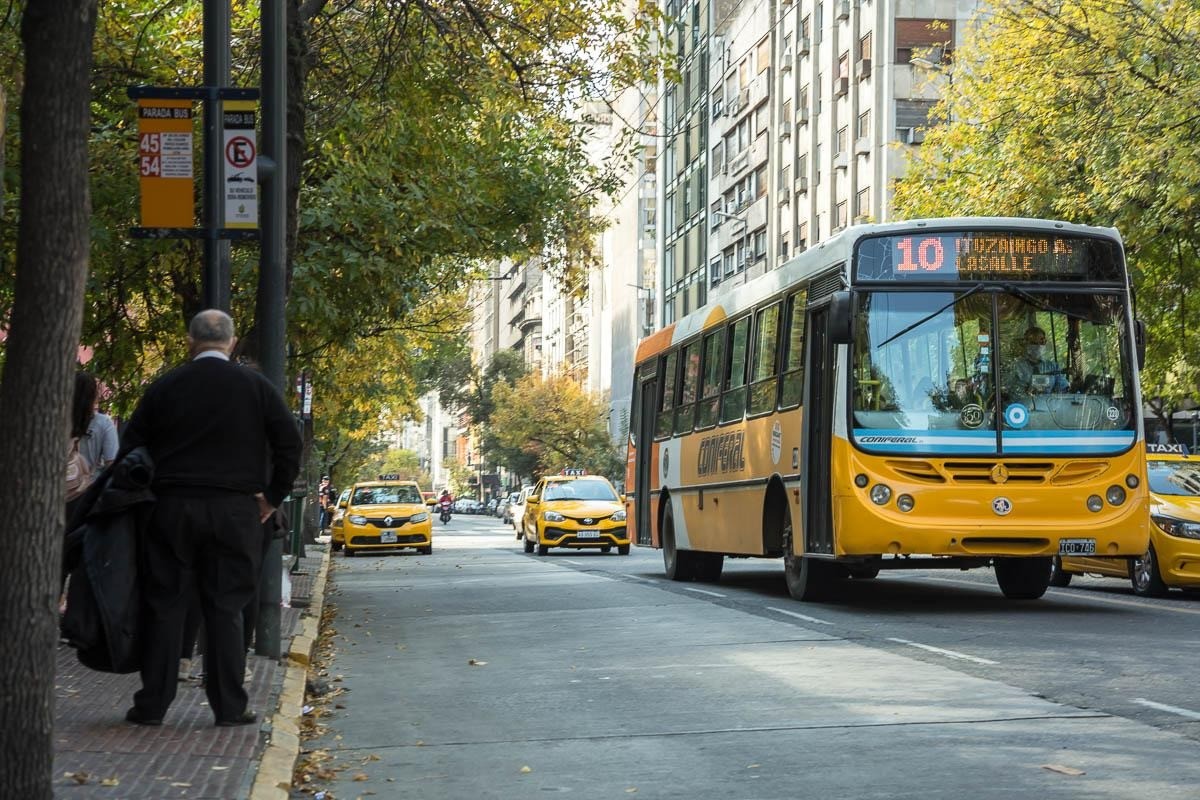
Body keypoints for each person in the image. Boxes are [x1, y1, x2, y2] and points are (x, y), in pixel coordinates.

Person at [120, 309, 302, 727]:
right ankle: (229, 706)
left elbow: (131, 447)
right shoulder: (256, 386)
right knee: (227, 608)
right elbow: (289, 443)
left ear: (190, 340)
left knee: (166, 605)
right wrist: (272, 497)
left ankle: (153, 704)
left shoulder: (165, 387)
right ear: (232, 342)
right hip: (236, 511)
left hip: (171, 508)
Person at [1004, 326, 1068, 401]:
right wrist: (1026, 391)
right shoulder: (1016, 367)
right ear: (1025, 343)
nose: (1038, 346)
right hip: (1024, 409)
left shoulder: (1053, 367)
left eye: (1041, 342)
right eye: (1034, 343)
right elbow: (1011, 392)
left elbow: (1063, 390)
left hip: (1050, 409)